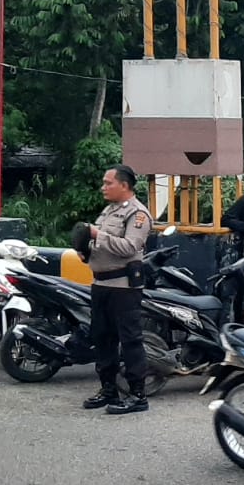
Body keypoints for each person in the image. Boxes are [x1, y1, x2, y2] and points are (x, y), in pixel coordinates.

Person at [79, 165, 152, 415]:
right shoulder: (109, 210)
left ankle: (138, 394)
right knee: (102, 338)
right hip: (100, 284)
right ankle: (108, 388)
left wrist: (97, 235)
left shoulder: (138, 214)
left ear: (124, 185)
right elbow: (98, 243)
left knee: (130, 341)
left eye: (108, 183)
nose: (103, 187)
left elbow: (130, 247)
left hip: (123, 287)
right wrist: (84, 249)